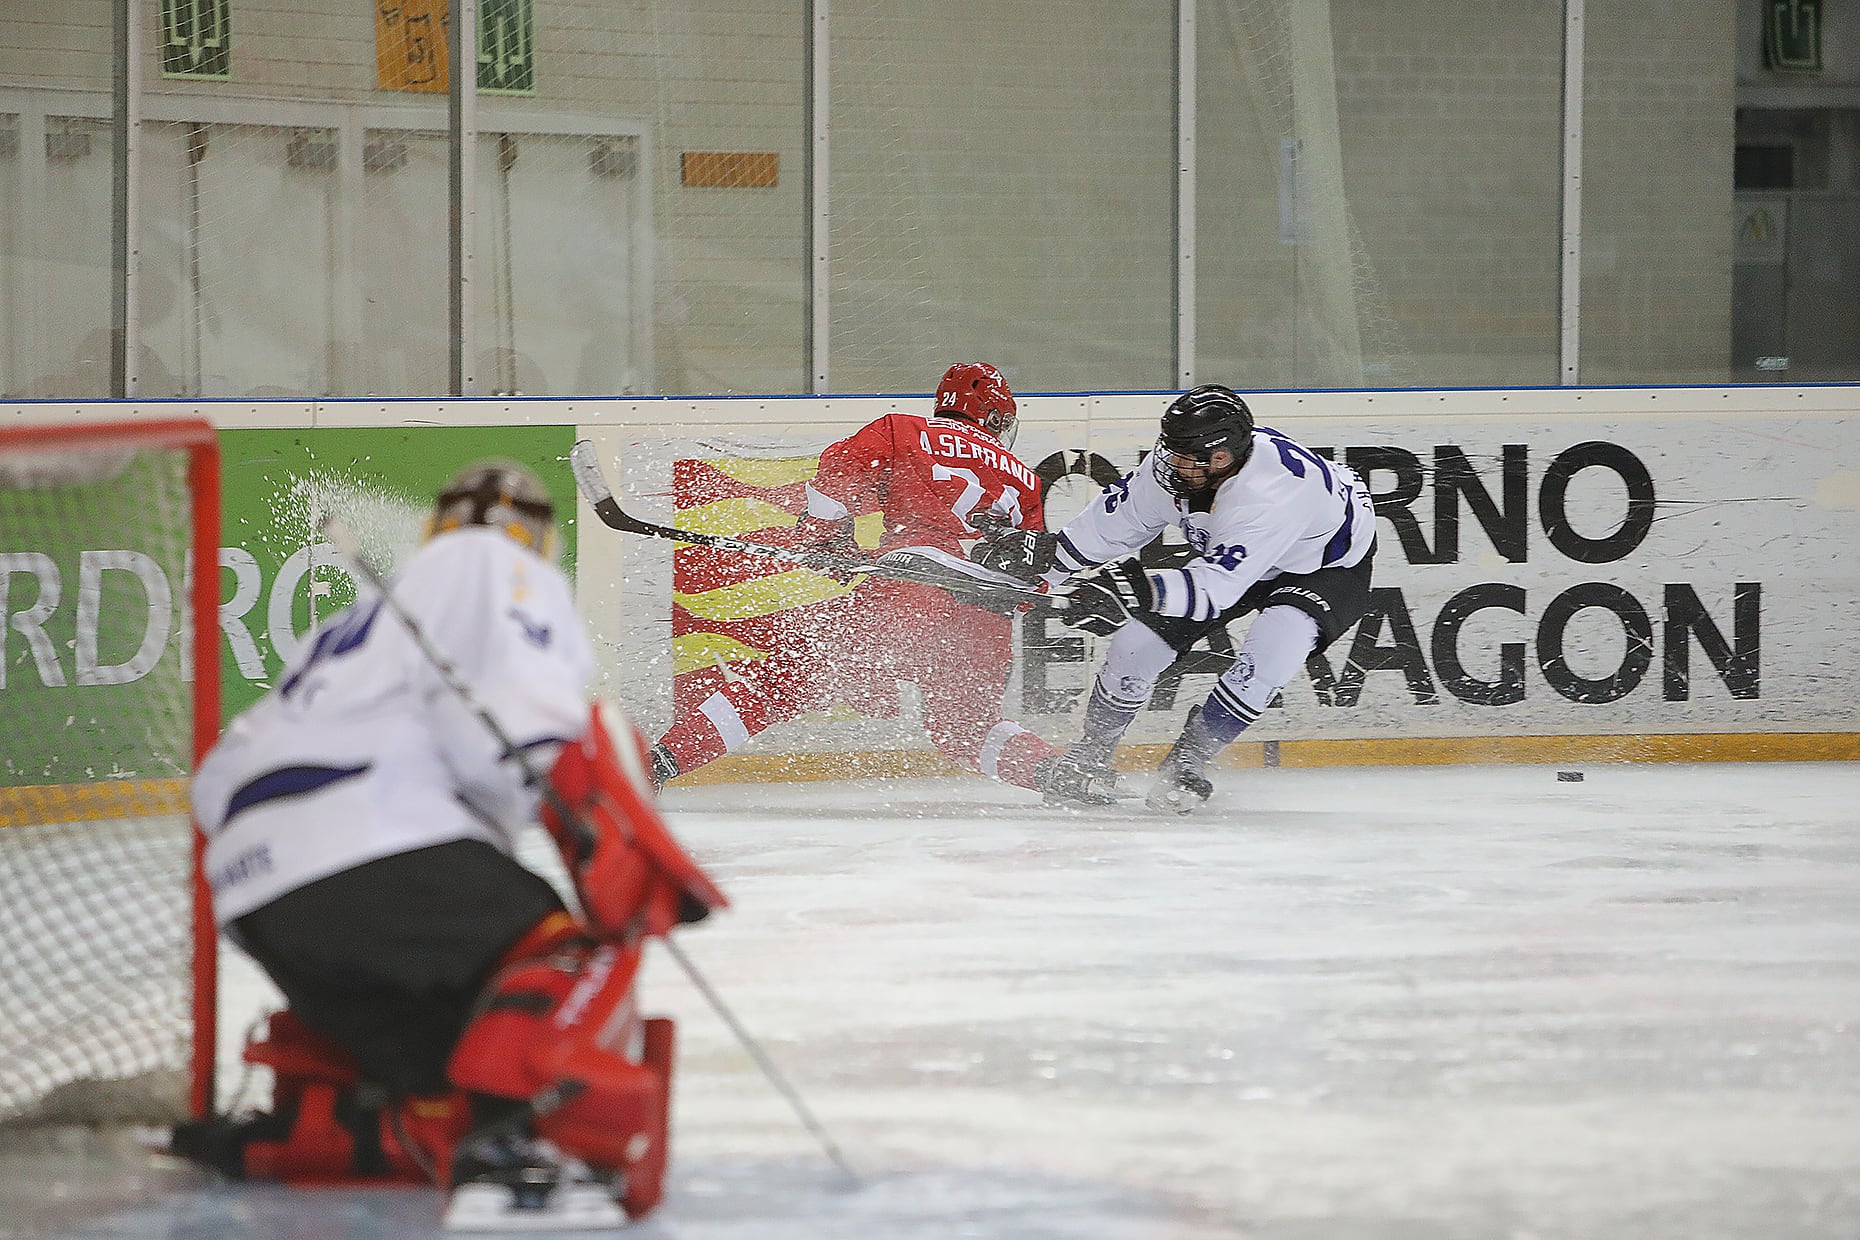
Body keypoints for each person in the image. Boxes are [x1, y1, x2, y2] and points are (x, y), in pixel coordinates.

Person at [172, 461, 725, 1230]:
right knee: (567, 953)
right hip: (369, 840)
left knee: (446, 1067)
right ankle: (505, 1165)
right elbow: (511, 717)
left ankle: (333, 1132)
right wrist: (586, 822)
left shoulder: (361, 620)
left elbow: (214, 784)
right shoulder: (494, 564)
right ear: (536, 537)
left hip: (256, 892)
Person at [649, 363, 1110, 803]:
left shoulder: (904, 430)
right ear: (991, 416)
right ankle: (1058, 773)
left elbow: (837, 477)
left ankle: (663, 761)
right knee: (965, 728)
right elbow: (1032, 576)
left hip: (913, 588)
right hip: (987, 614)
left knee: (783, 681)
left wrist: (827, 538)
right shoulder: (1025, 479)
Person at [971, 383, 1377, 813]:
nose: (1170, 464)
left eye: (1185, 456)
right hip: (1231, 560)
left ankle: (1192, 755)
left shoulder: (1270, 494)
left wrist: (1133, 591)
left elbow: (1214, 590)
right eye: (1171, 450)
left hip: (1324, 567)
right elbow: (1107, 530)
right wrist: (1041, 566)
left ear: (1221, 458)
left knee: (1277, 647)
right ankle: (1092, 751)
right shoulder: (1173, 471)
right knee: (1133, 647)